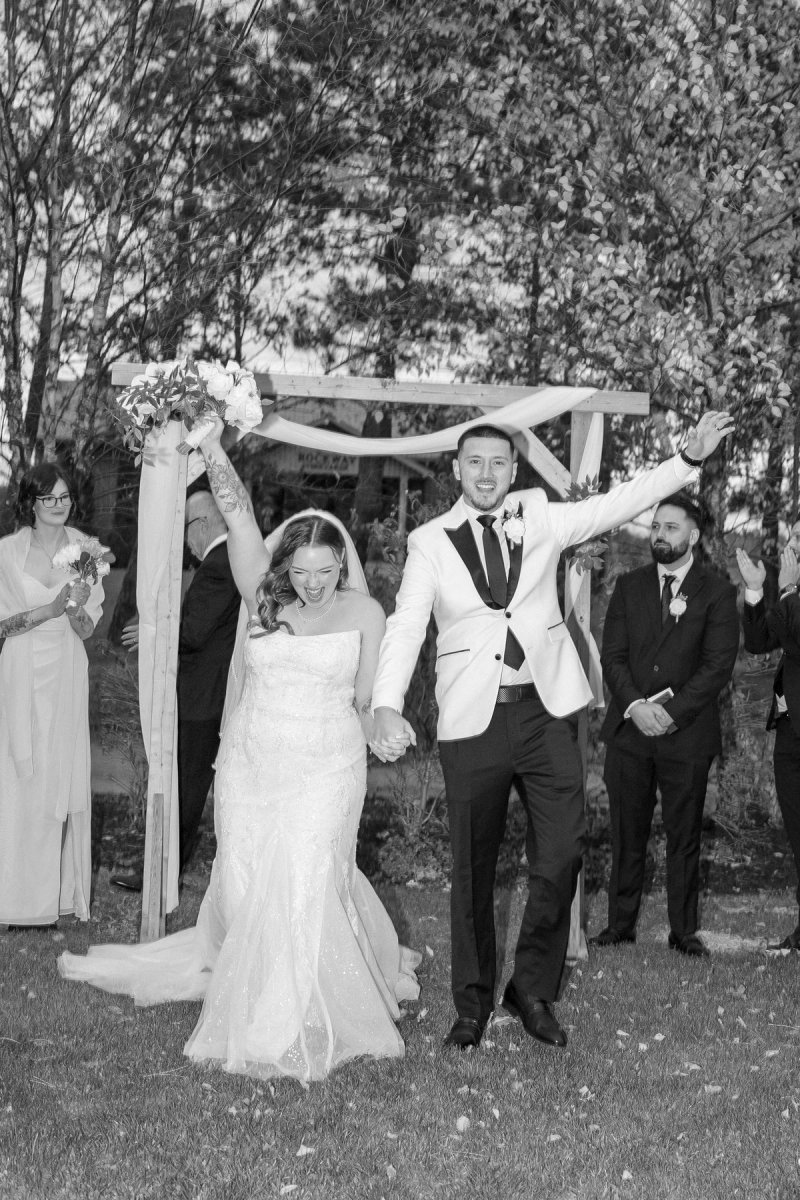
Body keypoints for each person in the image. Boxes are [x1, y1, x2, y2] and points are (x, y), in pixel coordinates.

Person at [59, 421, 420, 1084]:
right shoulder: (264, 597)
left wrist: (380, 729)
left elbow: (367, 700)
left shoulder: (366, 616)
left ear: (344, 563)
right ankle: (255, 985)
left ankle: (288, 1013)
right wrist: (213, 447)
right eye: (302, 571)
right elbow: (238, 511)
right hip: (252, 765)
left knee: (309, 876)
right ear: (284, 567)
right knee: (251, 879)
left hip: (326, 766)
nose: (313, 584)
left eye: (327, 570)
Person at [370, 411, 733, 1050]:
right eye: (474, 463)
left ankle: (531, 987)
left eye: (498, 463)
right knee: (472, 869)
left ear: (514, 470)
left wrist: (686, 460)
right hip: (472, 721)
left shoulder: (538, 515)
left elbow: (617, 504)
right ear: (457, 470)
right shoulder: (430, 541)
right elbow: (405, 626)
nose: (487, 474)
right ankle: (473, 1003)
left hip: (543, 713)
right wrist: (384, 703)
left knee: (562, 854)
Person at [591, 493, 739, 957]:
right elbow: (611, 655)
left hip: (687, 735)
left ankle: (683, 931)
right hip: (630, 731)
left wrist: (669, 714)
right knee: (626, 832)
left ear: (693, 536)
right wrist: (636, 706)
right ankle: (620, 925)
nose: (659, 535)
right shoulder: (630, 586)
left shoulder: (716, 591)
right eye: (656, 527)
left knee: (684, 836)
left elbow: (716, 667)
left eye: (671, 528)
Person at [113, 487, 240, 889]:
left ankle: (162, 876)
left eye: (186, 529)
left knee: (184, 791)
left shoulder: (219, 564)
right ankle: (163, 872)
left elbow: (194, 632)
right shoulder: (225, 560)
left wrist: (151, 632)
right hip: (205, 695)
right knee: (184, 788)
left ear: (202, 524)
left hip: (203, 700)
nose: (185, 540)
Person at [0, 462, 104, 928]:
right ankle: (9, 897)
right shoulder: (7, 553)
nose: (59, 505)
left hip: (64, 669)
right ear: (31, 503)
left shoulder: (86, 552)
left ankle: (46, 902)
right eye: (50, 498)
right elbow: (4, 625)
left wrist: (78, 609)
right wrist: (50, 607)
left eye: (65, 497)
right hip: (19, 668)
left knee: (54, 781)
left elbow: (85, 631)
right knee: (14, 780)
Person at [737, 530, 800, 952]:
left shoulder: (794, 594)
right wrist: (757, 591)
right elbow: (763, 642)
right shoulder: (792, 596)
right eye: (792, 540)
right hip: (791, 732)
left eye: (797, 541)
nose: (789, 548)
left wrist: (789, 587)